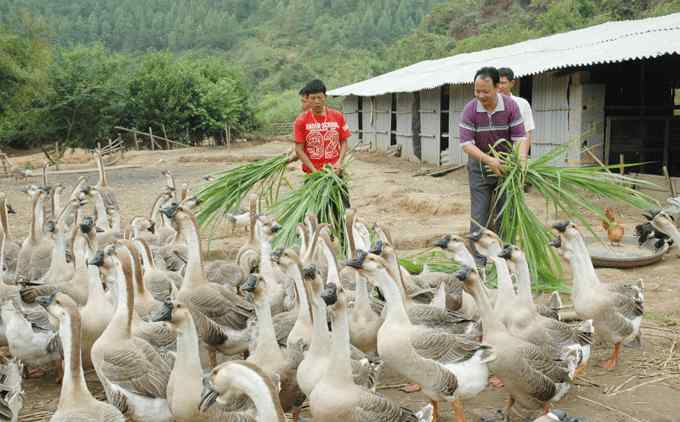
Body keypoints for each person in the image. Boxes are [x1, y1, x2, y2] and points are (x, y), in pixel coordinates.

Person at [459, 66, 528, 240]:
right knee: (479, 214)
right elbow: (467, 144)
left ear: (498, 87)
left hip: (506, 166)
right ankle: (479, 262)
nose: (480, 96)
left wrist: (520, 163)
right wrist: (488, 160)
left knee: (507, 214)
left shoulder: (511, 106)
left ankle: (507, 256)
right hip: (479, 166)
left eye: (485, 91)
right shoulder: (470, 109)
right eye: (477, 91)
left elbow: (520, 138)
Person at [293, 79, 351, 175]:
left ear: (325, 97)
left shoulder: (338, 116)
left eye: (320, 97)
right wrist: (314, 171)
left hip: (335, 172)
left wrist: (339, 162)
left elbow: (344, 141)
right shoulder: (301, 121)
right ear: (307, 98)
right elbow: (299, 150)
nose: (317, 101)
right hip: (313, 175)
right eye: (313, 98)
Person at [498, 67, 535, 148]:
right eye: (497, 83)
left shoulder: (522, 104)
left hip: (515, 155)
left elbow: (527, 132)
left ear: (512, 83)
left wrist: (522, 158)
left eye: (503, 83)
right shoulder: (487, 104)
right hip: (492, 157)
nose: (499, 86)